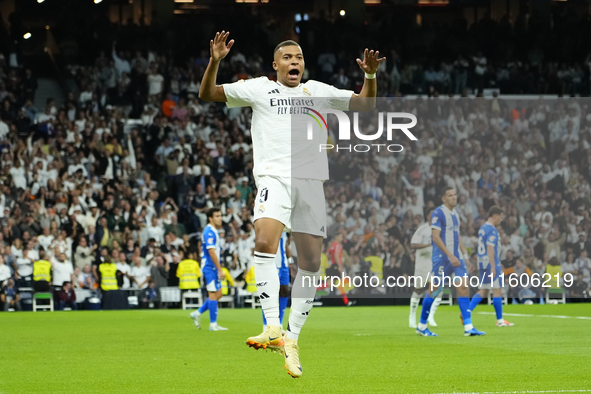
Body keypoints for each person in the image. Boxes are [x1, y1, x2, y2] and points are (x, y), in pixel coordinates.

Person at [199, 31, 385, 377]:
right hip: (275, 179)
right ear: (275, 65)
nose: (294, 61)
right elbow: (207, 93)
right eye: (287, 57)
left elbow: (365, 104)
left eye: (298, 57)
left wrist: (370, 76)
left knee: (311, 262)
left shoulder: (317, 91)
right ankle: (272, 324)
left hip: (312, 183)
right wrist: (215, 61)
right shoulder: (259, 89)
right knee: (265, 242)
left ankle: (292, 338)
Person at [416, 186, 485, 337]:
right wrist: (450, 255)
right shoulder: (438, 212)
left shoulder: (456, 214)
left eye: (455, 194)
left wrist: (464, 256)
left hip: (456, 257)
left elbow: (457, 235)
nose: (454, 197)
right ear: (443, 198)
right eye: (450, 195)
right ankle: (421, 326)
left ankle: (468, 327)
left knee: (463, 288)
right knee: (434, 291)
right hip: (441, 258)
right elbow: (435, 237)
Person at [467, 206, 514, 327]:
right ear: (495, 216)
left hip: (482, 262)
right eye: (501, 217)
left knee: (483, 290)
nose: (501, 219)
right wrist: (493, 266)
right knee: (497, 290)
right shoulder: (492, 230)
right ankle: (500, 320)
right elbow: (490, 247)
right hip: (490, 263)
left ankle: (466, 312)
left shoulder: (482, 227)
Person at [189, 208, 228, 331]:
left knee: (219, 293)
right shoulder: (209, 231)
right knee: (212, 294)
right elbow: (211, 252)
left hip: (212, 267)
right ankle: (213, 324)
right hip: (209, 267)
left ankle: (197, 313)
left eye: (220, 215)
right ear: (210, 218)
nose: (220, 218)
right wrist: (220, 269)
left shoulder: (213, 230)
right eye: (216, 216)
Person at [409, 207, 442, 328]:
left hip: (436, 264)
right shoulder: (422, 229)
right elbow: (413, 244)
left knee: (437, 290)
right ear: (428, 216)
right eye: (432, 214)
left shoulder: (440, 230)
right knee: (419, 289)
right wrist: (428, 244)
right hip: (423, 264)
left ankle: (430, 316)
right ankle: (412, 316)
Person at [262, 231, 291, 331]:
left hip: (284, 264)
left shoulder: (284, 229)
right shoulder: (272, 224)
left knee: (284, 292)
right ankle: (266, 326)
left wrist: (290, 259)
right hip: (273, 263)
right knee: (270, 294)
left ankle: (280, 324)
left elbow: (286, 244)